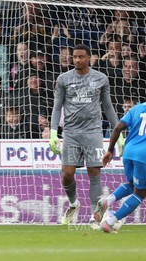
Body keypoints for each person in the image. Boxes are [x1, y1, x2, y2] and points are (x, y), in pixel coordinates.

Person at [49, 44, 123, 227]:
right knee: (66, 174)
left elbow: (108, 107)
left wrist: (118, 132)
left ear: (89, 58)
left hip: (93, 132)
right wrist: (53, 132)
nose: (77, 60)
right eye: (74, 57)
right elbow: (57, 106)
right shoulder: (63, 79)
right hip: (71, 133)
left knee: (94, 172)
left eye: (81, 57)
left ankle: (95, 215)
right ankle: (73, 203)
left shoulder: (101, 78)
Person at [98, 102, 143, 233]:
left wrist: (110, 150)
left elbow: (117, 128)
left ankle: (107, 201)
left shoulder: (136, 109)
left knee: (131, 183)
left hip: (128, 152)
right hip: (143, 155)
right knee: (140, 193)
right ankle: (110, 222)